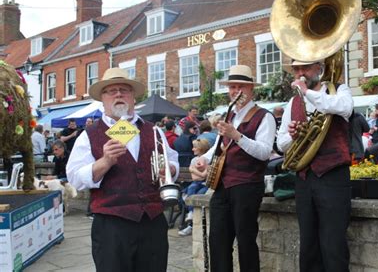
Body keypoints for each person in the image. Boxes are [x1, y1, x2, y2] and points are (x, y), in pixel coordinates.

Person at [66, 67, 179, 272]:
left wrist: (170, 169)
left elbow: (173, 161)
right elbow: (74, 178)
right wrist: (104, 162)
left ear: (133, 97)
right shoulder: (89, 134)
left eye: (124, 90)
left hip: (152, 222)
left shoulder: (153, 130)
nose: (118, 94)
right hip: (112, 225)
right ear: (103, 99)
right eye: (111, 91)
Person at [195, 65, 276, 272]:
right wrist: (203, 159)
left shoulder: (264, 116)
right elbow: (218, 146)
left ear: (251, 90)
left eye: (241, 87)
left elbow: (265, 152)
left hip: (248, 185)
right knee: (218, 242)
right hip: (223, 185)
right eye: (232, 87)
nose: (236, 91)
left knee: (246, 242)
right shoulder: (230, 115)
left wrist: (237, 136)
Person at [277, 59, 353, 272]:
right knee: (308, 246)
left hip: (333, 176)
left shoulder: (339, 90)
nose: (301, 73)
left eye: (306, 68)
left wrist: (307, 92)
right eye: (297, 69)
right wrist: (293, 136)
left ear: (319, 68)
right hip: (304, 178)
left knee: (334, 245)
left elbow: (343, 108)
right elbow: (281, 143)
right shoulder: (292, 104)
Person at [178, 138, 211, 237]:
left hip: (207, 185)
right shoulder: (194, 160)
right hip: (196, 184)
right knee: (192, 189)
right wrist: (199, 173)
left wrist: (193, 169)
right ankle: (191, 217)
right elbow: (195, 178)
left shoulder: (209, 159)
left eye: (195, 147)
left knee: (199, 194)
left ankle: (192, 224)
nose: (192, 149)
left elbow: (206, 176)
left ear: (201, 148)